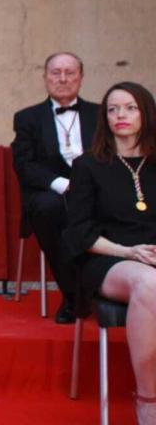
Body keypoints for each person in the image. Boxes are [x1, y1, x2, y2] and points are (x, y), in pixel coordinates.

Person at [65, 81, 156, 425]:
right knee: (150, 284)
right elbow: (79, 232)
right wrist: (128, 252)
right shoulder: (88, 165)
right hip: (108, 258)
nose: (121, 115)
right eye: (113, 109)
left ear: (145, 112)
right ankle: (148, 402)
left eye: (130, 107)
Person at [12, 52, 98, 323]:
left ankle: (107, 289)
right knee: (50, 210)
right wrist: (63, 185)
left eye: (70, 72)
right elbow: (24, 165)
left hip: (96, 192)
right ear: (45, 77)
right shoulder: (27, 118)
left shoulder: (100, 114)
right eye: (56, 72)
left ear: (81, 77)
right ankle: (74, 296)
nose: (63, 79)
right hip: (51, 195)